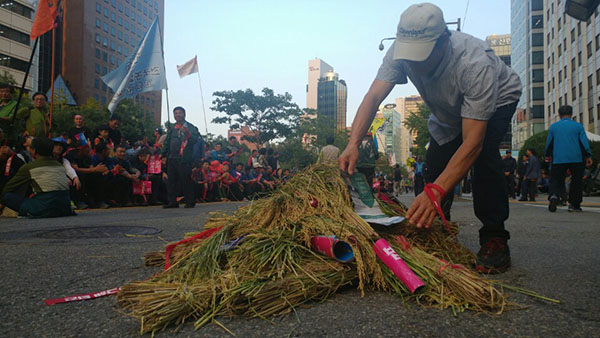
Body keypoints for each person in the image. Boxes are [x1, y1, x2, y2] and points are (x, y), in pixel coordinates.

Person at [338, 3, 522, 274]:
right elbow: (374, 96)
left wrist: (437, 191)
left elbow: (472, 143)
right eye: (409, 56)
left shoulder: (474, 63)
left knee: (483, 159)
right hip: (447, 113)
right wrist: (353, 143)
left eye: (420, 56)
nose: (412, 63)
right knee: (435, 168)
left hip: (495, 101)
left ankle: (494, 237)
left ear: (442, 43)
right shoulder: (400, 52)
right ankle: (437, 228)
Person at [1, 137, 73, 217]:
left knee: (6, 196)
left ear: (34, 151)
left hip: (44, 208)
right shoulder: (60, 165)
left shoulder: (29, 167)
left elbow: (8, 188)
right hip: (65, 208)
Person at [545, 105, 593, 212]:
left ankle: (554, 196)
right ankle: (574, 204)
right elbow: (584, 143)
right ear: (571, 114)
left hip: (559, 158)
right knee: (576, 181)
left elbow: (549, 143)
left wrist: (547, 154)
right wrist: (588, 156)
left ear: (559, 114)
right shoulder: (578, 126)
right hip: (576, 157)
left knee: (556, 179)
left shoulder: (554, 127)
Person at [162, 106, 199, 208]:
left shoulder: (190, 127)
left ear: (184, 114)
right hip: (171, 157)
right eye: (175, 113)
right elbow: (167, 142)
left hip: (184, 158)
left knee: (186, 180)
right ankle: (172, 201)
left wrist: (187, 132)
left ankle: (190, 201)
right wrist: (163, 155)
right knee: (171, 181)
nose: (177, 115)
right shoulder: (172, 128)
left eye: (179, 113)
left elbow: (194, 140)